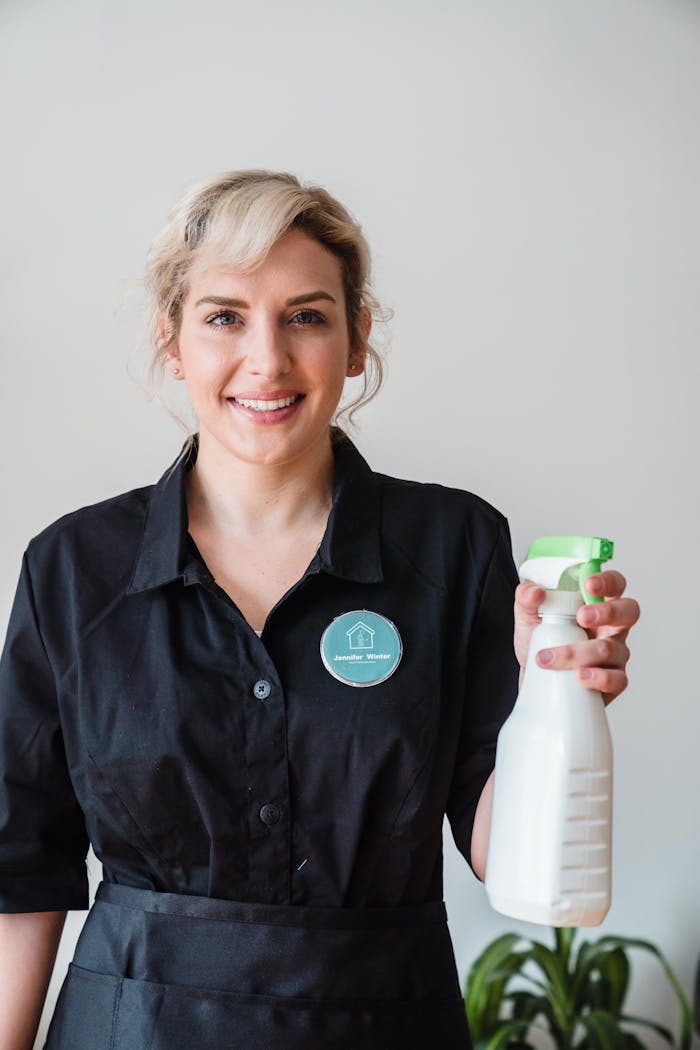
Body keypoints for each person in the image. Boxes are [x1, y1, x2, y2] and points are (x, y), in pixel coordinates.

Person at [0, 170, 638, 1050]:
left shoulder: (456, 545)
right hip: (132, 1028)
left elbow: (505, 862)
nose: (267, 359)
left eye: (306, 315)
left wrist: (553, 700)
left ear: (355, 339)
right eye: (225, 316)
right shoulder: (73, 568)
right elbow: (19, 867)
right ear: (172, 341)